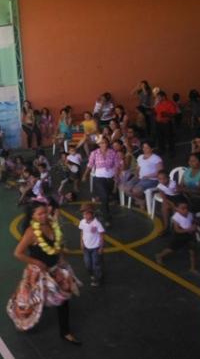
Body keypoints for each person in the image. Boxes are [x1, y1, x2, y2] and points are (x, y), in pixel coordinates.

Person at [8, 203, 81, 344]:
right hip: (38, 272)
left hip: (55, 269)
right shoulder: (31, 232)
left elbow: (56, 245)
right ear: (32, 216)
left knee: (64, 298)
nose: (43, 216)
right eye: (39, 214)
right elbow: (18, 253)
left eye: (44, 213)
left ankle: (65, 332)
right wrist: (37, 262)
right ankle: (25, 323)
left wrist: (60, 258)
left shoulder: (52, 224)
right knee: (31, 302)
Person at [82, 138, 118, 227]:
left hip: (110, 178)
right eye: (101, 143)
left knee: (106, 197)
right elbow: (90, 165)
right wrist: (85, 175)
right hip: (98, 178)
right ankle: (106, 219)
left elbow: (117, 165)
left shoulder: (112, 152)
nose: (103, 144)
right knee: (104, 196)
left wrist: (116, 176)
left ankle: (104, 211)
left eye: (105, 143)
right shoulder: (94, 153)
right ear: (99, 144)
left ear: (108, 143)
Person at [155, 201, 198, 274]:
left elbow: (192, 221)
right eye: (183, 208)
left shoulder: (190, 214)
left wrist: (194, 226)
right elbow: (177, 230)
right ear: (177, 209)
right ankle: (159, 255)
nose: (186, 210)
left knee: (192, 252)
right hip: (180, 236)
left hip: (190, 236)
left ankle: (192, 268)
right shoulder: (176, 217)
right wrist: (189, 229)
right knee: (171, 249)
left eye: (187, 208)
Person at [120, 141, 163, 210]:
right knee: (124, 188)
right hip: (140, 178)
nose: (144, 149)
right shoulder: (140, 157)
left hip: (152, 179)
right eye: (143, 147)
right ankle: (141, 201)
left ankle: (141, 201)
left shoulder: (156, 158)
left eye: (147, 147)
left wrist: (148, 176)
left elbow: (160, 172)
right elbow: (138, 168)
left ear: (151, 149)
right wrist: (136, 175)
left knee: (136, 190)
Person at [78, 204, 105, 287]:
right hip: (86, 247)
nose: (84, 216)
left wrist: (101, 247)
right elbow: (82, 232)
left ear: (92, 213)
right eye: (83, 214)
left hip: (95, 248)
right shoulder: (82, 222)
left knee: (95, 264)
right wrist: (81, 242)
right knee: (87, 264)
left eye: (86, 214)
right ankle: (92, 274)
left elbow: (101, 235)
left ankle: (98, 279)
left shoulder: (97, 223)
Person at [154, 91, 177, 157]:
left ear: (163, 97)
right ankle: (161, 150)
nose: (158, 98)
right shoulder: (158, 104)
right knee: (160, 137)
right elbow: (156, 111)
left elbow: (173, 114)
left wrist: (166, 114)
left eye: (159, 97)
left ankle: (171, 151)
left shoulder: (170, 104)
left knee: (169, 137)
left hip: (166, 123)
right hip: (158, 123)